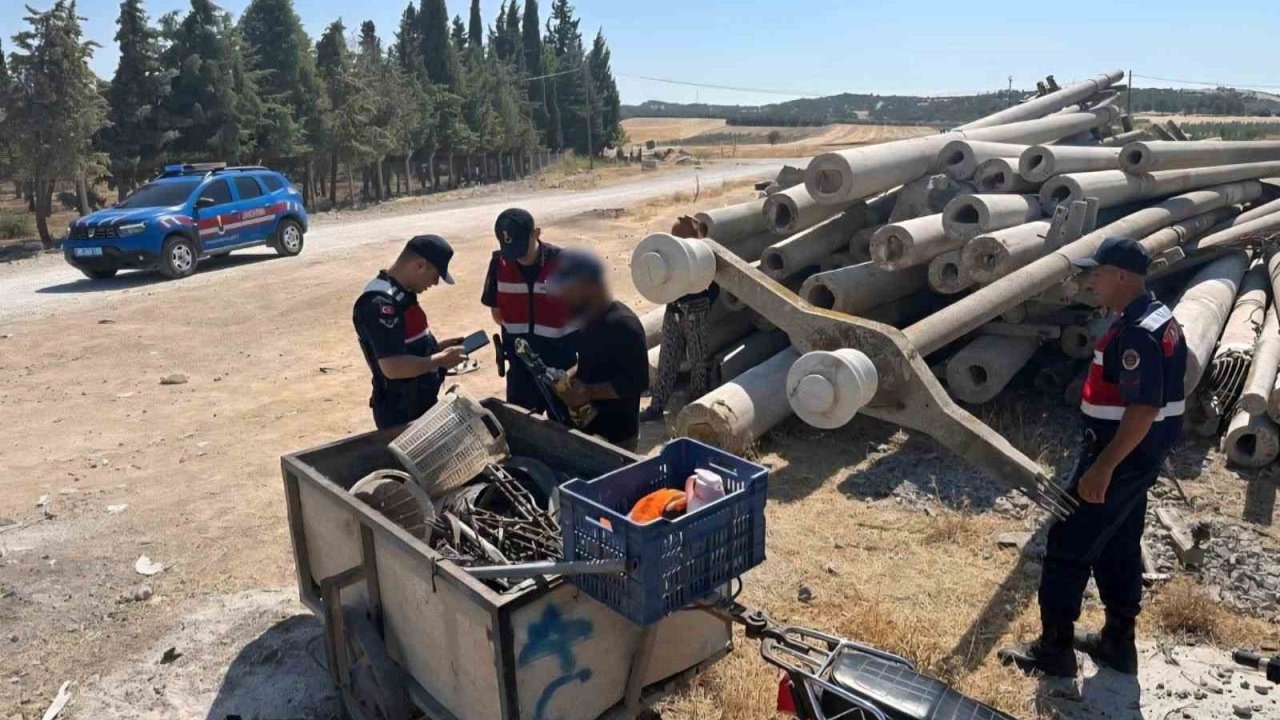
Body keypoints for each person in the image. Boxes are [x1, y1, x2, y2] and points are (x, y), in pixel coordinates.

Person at [999, 236, 1187, 678]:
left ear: (1121, 275)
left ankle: (1053, 651)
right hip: (1138, 457)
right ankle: (1118, 644)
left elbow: (1143, 408)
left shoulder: (1138, 331)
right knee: (1119, 544)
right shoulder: (1157, 317)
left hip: (1118, 456)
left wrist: (1103, 467)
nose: (1090, 281)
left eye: (1096, 273)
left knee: (1067, 544)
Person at [353, 235, 467, 429]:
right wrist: (440, 360)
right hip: (401, 412)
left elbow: (405, 347)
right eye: (435, 275)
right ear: (420, 265)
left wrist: (438, 349)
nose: (435, 283)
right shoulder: (380, 303)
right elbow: (393, 367)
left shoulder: (402, 294)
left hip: (418, 404)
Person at [551, 248, 649, 451]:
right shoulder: (587, 318)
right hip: (589, 428)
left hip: (617, 436)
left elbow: (636, 382)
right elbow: (591, 359)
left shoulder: (624, 325)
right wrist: (568, 378)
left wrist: (588, 392)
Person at [482, 208, 578, 413]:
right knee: (523, 422)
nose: (517, 257)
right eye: (511, 250)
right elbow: (497, 314)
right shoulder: (499, 264)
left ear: (537, 234)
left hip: (560, 366)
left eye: (521, 248)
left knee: (563, 429)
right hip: (520, 368)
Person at [640, 215, 718, 422]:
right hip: (674, 311)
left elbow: (714, 286)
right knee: (668, 359)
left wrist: (703, 303)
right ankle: (656, 408)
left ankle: (695, 410)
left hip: (695, 313)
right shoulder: (672, 258)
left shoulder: (704, 256)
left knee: (698, 363)